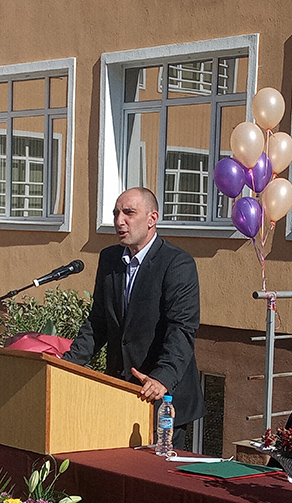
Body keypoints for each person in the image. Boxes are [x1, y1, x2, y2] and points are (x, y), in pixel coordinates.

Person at [63, 187, 205, 446]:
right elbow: (99, 321)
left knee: (156, 469)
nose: (119, 221)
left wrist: (163, 377)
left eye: (129, 213)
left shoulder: (177, 263)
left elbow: (182, 328)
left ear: (152, 218)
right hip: (119, 391)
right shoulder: (109, 259)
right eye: (116, 213)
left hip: (161, 397)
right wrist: (67, 365)